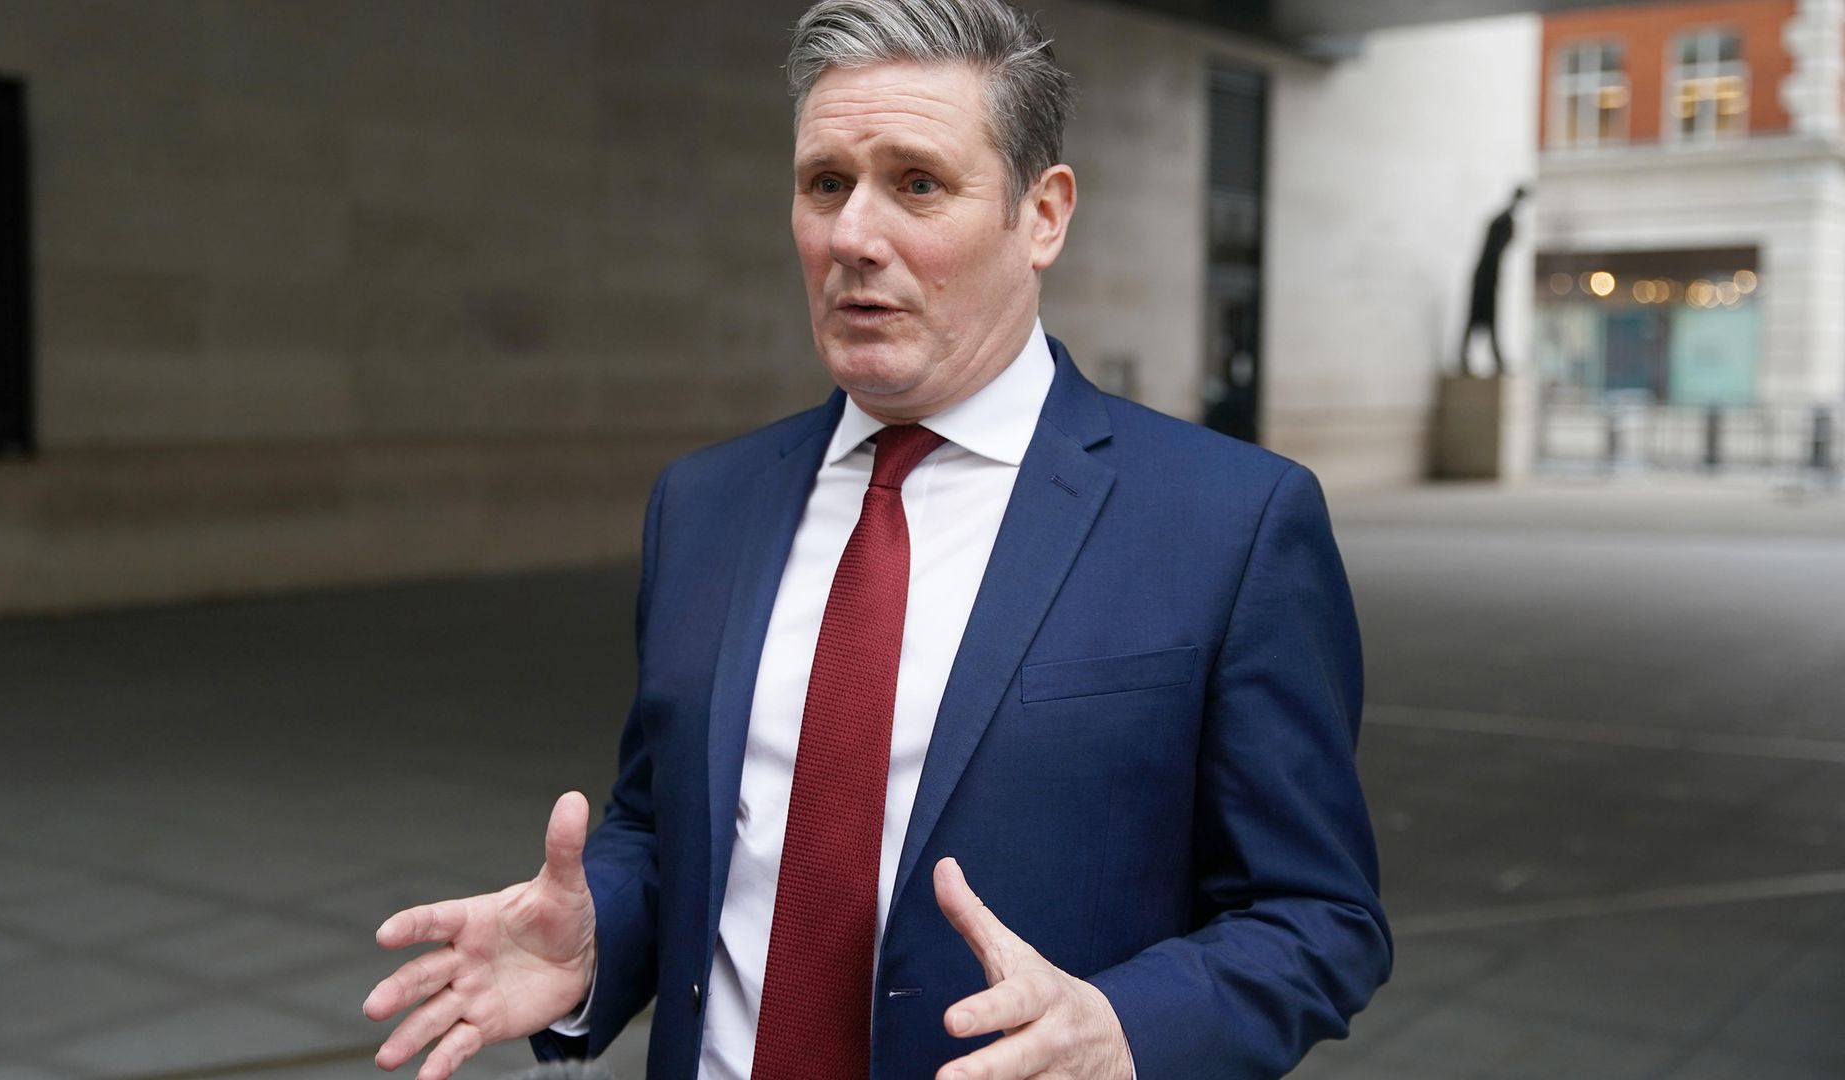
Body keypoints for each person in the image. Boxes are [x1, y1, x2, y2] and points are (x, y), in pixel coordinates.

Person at [363, 2, 1390, 1078]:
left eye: (917, 183)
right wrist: (599, 933)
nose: (854, 235)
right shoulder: (704, 506)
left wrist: (1130, 1031)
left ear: (1042, 215)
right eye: (825, 184)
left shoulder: (1229, 523)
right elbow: (672, 831)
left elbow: (1318, 919)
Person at [1461, 185, 1529, 377]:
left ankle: (1490, 358)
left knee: (1483, 320)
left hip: (1488, 276)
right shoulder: (1503, 221)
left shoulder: (1505, 220)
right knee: (1481, 319)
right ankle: (1478, 357)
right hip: (1486, 278)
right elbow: (1492, 252)